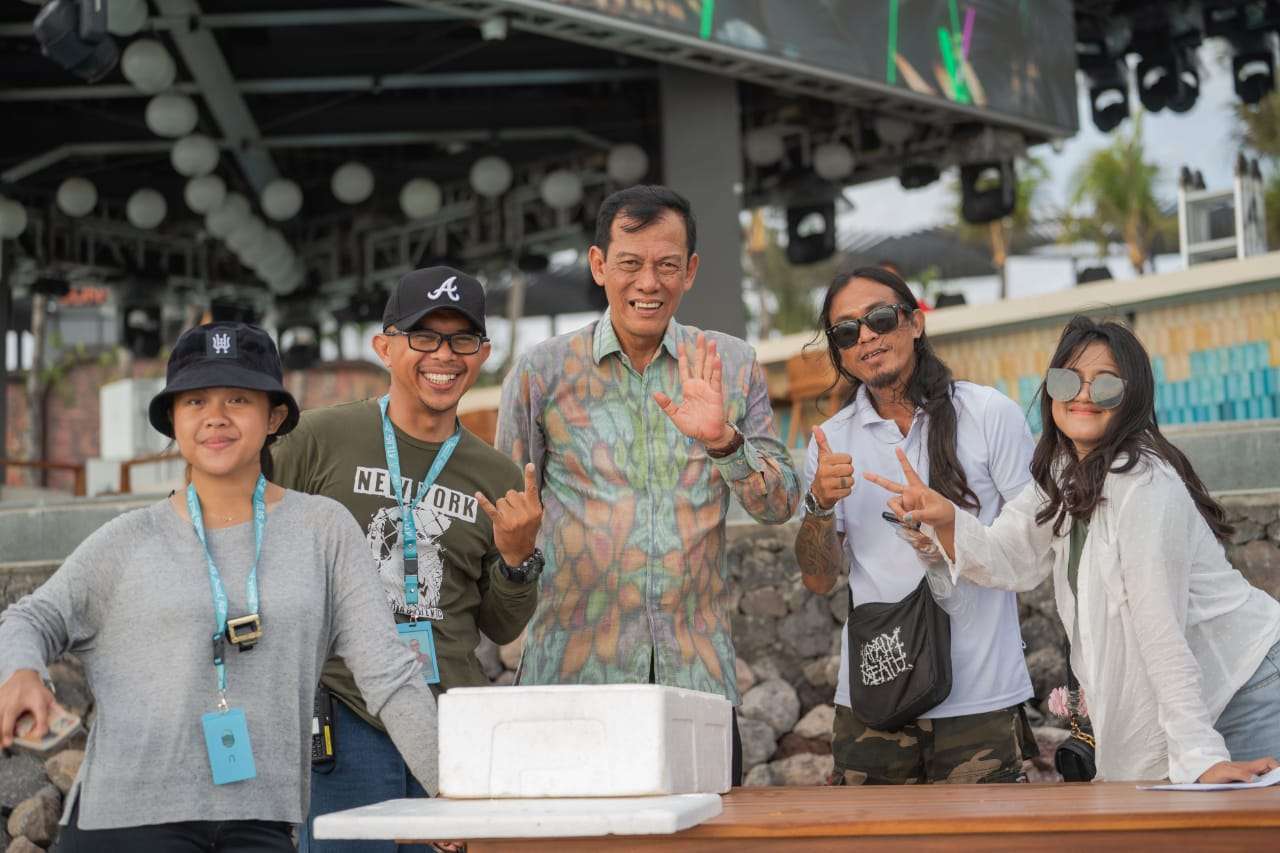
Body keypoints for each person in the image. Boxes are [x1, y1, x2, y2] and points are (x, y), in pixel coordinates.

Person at [0, 322, 438, 852]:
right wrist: (20, 673)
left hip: (262, 822)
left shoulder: (325, 529)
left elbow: (389, 674)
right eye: (195, 402)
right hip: (125, 821)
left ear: (274, 416)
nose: (215, 417)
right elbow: (29, 618)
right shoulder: (127, 539)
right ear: (173, 420)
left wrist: (447, 789)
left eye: (237, 398)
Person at [869, 316, 1280, 783]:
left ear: (1133, 398)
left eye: (1105, 385)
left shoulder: (1142, 483)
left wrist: (1200, 755)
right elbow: (1011, 554)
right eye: (1067, 380)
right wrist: (946, 518)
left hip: (1245, 683)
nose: (1083, 395)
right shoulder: (1066, 470)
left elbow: (1159, 626)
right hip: (1205, 691)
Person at [495, 185, 801, 785]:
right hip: (572, 683)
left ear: (690, 271)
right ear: (598, 265)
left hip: (697, 682)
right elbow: (510, 511)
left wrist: (724, 441)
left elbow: (781, 503)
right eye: (630, 264)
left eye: (666, 265)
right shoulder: (542, 372)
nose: (648, 283)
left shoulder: (730, 365)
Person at [270, 267, 541, 853]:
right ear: (384, 346)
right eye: (424, 336)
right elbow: (235, 516)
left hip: (452, 724)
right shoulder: (316, 440)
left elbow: (499, 624)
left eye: (461, 340)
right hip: (346, 718)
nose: (443, 355)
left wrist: (518, 560)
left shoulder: (495, 474)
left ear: (484, 354)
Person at [794, 265, 1036, 785]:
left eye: (881, 318)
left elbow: (1035, 547)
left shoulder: (988, 413)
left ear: (915, 323)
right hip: (875, 695)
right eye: (846, 331)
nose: (867, 337)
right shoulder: (828, 445)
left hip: (980, 693)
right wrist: (817, 506)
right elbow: (818, 581)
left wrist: (952, 525)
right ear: (838, 350)